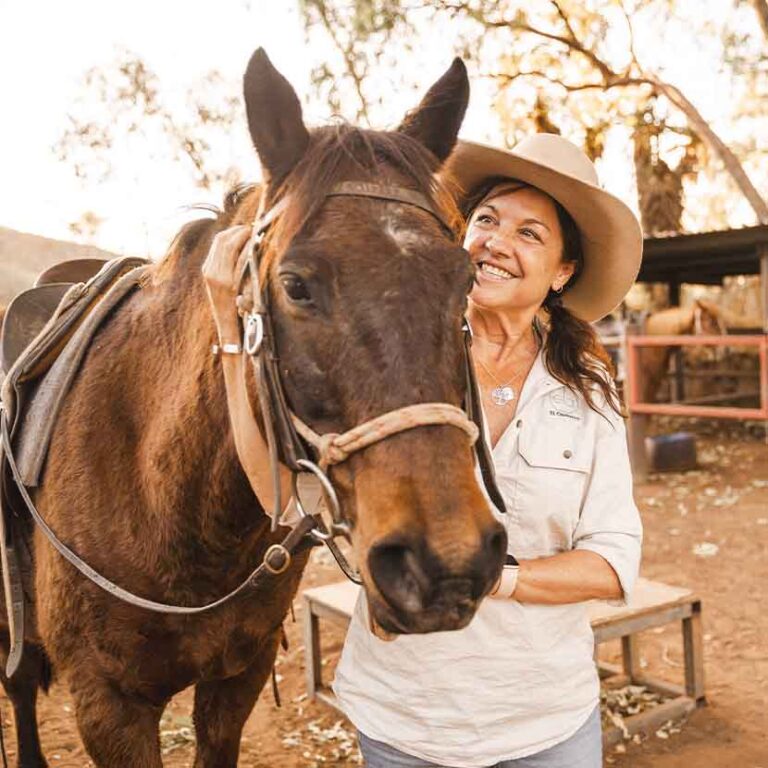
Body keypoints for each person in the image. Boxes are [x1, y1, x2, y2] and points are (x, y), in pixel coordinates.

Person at [202, 133, 643, 768]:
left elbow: (612, 562)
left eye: (530, 234)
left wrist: (492, 577)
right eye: (487, 220)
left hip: (547, 719)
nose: (496, 242)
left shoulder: (587, 391)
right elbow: (280, 495)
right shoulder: (399, 358)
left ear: (563, 273)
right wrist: (227, 325)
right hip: (408, 717)